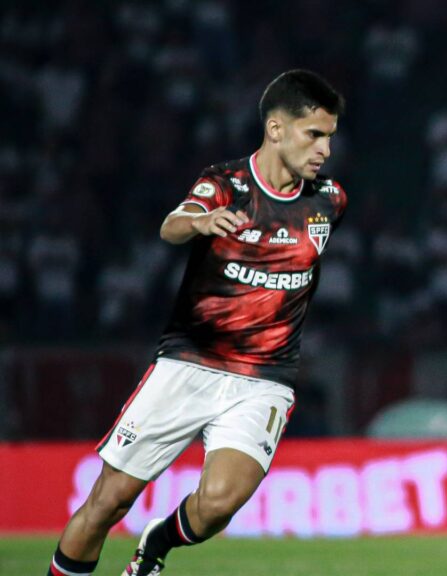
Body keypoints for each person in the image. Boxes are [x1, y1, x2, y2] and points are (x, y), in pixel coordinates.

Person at [46, 69, 348, 576]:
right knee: (107, 502)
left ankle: (156, 544)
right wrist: (203, 223)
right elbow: (173, 225)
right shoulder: (225, 184)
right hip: (190, 361)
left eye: (330, 138)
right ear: (276, 129)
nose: (325, 150)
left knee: (217, 506)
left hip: (266, 377)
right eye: (314, 134)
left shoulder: (329, 200)